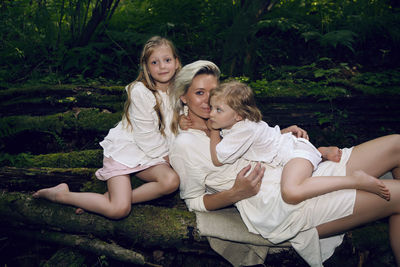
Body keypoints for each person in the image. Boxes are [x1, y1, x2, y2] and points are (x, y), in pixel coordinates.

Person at [168, 60, 400, 266]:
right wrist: (236, 193)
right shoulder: (186, 144)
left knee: (396, 145)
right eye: (200, 93)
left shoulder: (227, 119)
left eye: (213, 91)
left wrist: (285, 133)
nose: (208, 100)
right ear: (183, 97)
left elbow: (257, 136)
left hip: (300, 171)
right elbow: (193, 201)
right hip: (285, 202)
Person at [33, 36, 181, 219]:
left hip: (153, 157)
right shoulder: (140, 91)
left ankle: (104, 200)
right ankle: (61, 195)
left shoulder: (182, 93)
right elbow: (146, 139)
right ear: (147, 68)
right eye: (154, 62)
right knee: (118, 210)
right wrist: (172, 160)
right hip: (128, 149)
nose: (162, 66)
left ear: (176, 62)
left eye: (167, 60)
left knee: (171, 181)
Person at [206, 80, 390, 204]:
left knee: (291, 192)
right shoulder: (244, 123)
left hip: (294, 155)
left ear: (238, 115)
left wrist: (212, 130)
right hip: (290, 146)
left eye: (218, 110)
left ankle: (353, 180)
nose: (211, 113)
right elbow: (265, 136)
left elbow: (218, 159)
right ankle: (320, 153)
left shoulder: (243, 130)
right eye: (211, 107)